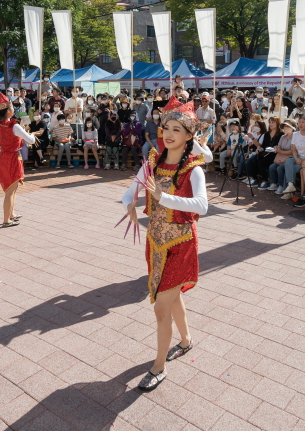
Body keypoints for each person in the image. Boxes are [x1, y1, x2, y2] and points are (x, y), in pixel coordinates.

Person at [120, 96, 208, 392]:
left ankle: (159, 366)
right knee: (172, 297)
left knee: (161, 307)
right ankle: (185, 341)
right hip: (155, 242)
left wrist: (163, 197)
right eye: (165, 127)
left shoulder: (193, 169)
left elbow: (202, 205)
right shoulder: (153, 162)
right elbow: (130, 190)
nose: (168, 134)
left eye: (176, 129)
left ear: (188, 136)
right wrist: (129, 203)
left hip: (181, 243)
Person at [0, 92, 37, 227]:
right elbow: (31, 140)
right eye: (11, 107)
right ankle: (6, 220)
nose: (13, 109)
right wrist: (32, 134)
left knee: (11, 189)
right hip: (12, 158)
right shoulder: (13, 126)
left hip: (4, 156)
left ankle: (11, 214)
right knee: (10, 191)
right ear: (8, 111)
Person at [268, 120, 295, 194]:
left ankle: (281, 186)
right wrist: (277, 148)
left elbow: (293, 151)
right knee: (272, 167)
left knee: (280, 168)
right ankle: (273, 183)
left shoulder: (295, 136)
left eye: (288, 126)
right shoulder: (283, 137)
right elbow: (279, 146)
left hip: (289, 158)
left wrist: (281, 151)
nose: (285, 128)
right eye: (285, 127)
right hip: (280, 157)